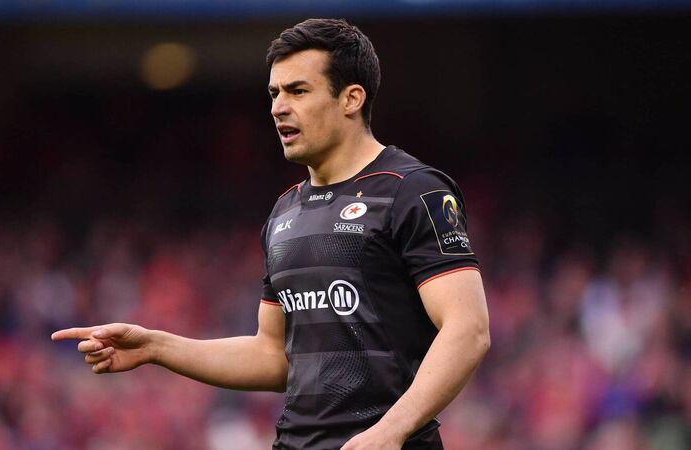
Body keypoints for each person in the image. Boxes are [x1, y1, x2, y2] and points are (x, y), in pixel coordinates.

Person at [52, 18, 490, 450]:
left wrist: (390, 431)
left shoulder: (412, 190)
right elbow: (273, 354)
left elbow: (467, 329)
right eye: (275, 93)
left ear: (351, 99)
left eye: (298, 91)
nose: (279, 107)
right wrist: (155, 346)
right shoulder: (286, 211)